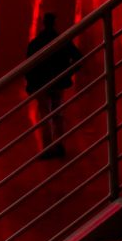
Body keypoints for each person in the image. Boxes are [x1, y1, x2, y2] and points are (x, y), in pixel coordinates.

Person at [26, 13, 82, 158]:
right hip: (58, 81)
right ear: (55, 23)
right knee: (57, 113)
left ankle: (47, 148)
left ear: (43, 23)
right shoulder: (62, 40)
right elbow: (78, 57)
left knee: (44, 114)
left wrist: (31, 83)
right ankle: (59, 145)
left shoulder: (36, 43)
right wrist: (68, 72)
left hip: (41, 83)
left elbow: (29, 66)